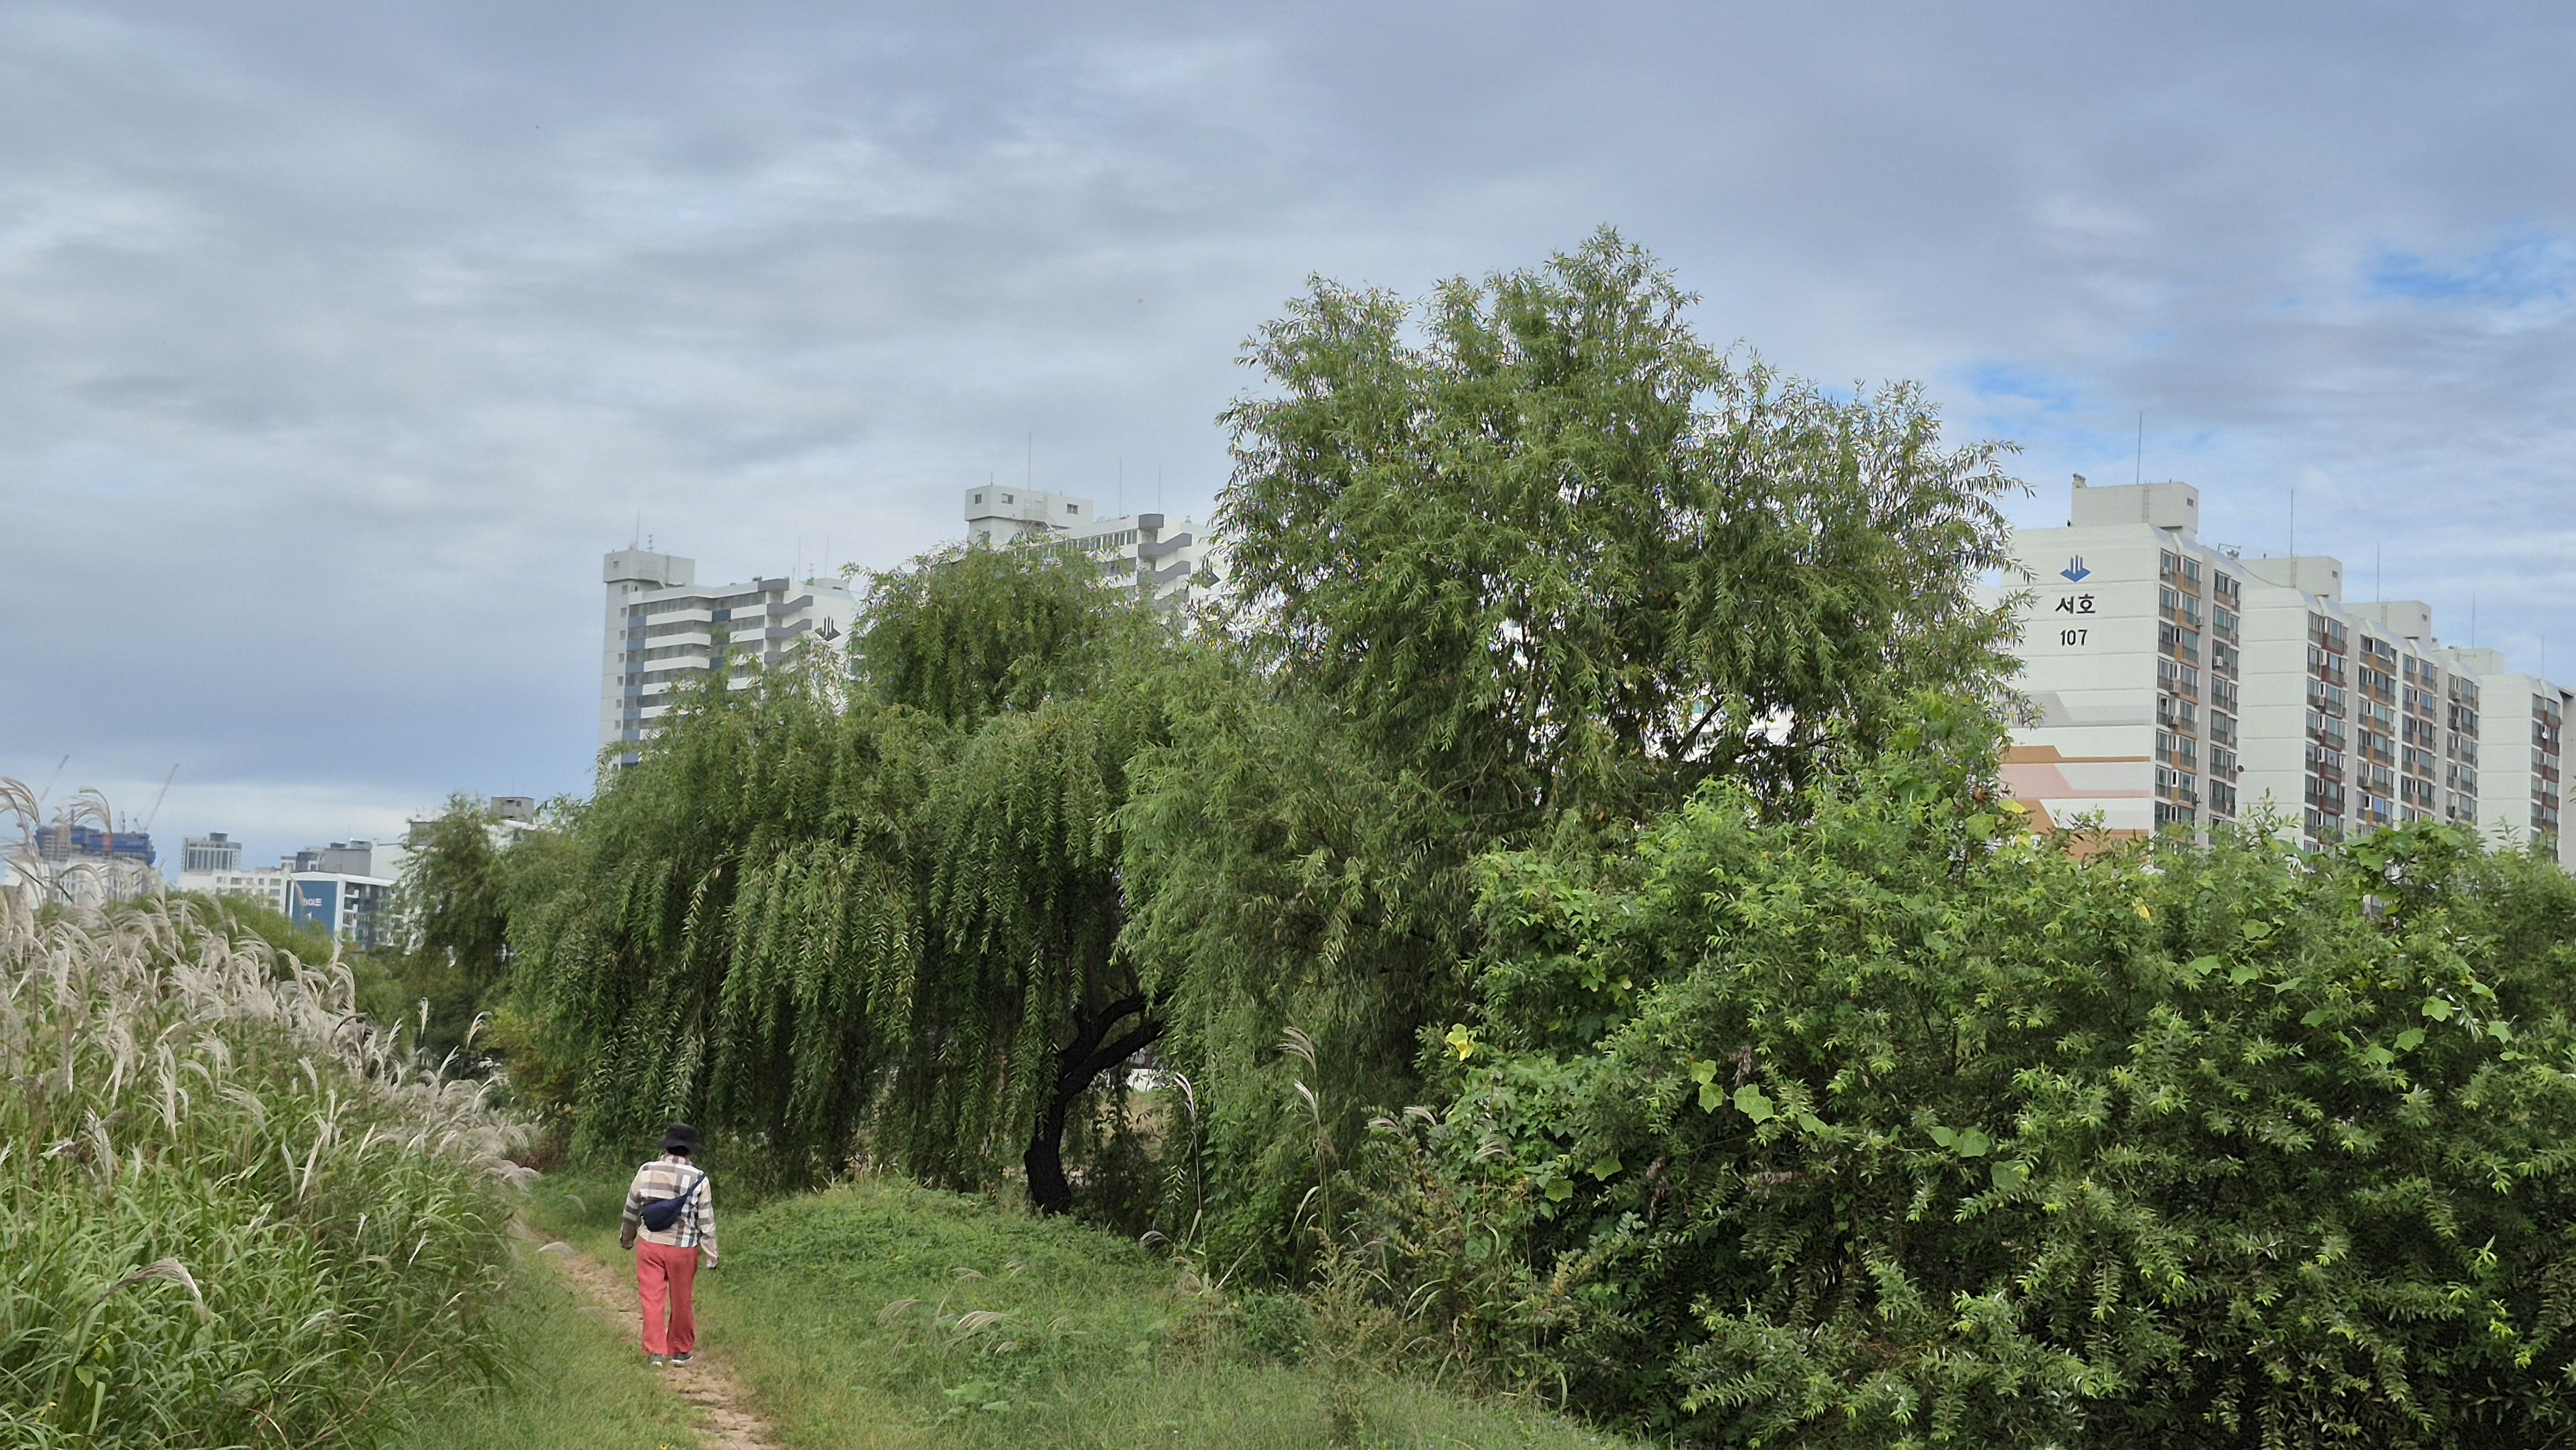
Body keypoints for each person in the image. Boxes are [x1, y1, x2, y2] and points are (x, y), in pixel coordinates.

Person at [620, 1122, 720, 1366]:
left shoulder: (646, 1170)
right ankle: (681, 1350)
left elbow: (631, 1209)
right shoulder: (699, 1178)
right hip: (683, 1248)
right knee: (682, 1298)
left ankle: (654, 1352)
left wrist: (627, 1238)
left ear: (666, 1147)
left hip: (650, 1244)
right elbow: (706, 1221)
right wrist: (712, 1255)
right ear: (690, 1150)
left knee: (652, 1299)